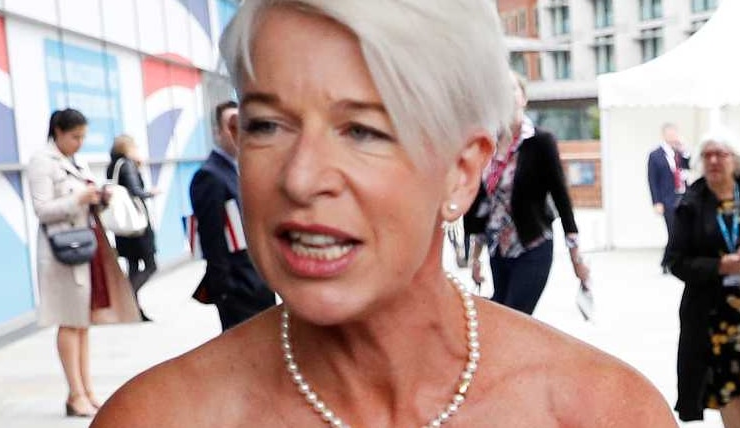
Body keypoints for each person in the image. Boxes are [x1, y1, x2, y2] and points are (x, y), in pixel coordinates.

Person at [90, 2, 676, 427]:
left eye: (363, 130)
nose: (301, 177)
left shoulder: (601, 411)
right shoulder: (158, 416)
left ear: (461, 171)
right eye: (268, 125)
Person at [29, 109, 140, 418]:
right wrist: (78, 200)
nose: (79, 143)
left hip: (85, 247)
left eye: (83, 137)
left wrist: (98, 197)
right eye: (74, 136)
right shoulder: (42, 161)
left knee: (83, 323)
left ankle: (86, 390)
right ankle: (75, 393)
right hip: (61, 251)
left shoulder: (75, 161)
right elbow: (42, 210)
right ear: (59, 132)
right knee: (69, 320)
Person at [467, 71, 590, 315]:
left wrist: (576, 255)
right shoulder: (488, 145)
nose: (507, 95)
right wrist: (476, 257)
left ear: (523, 98)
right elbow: (483, 204)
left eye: (513, 89)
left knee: (514, 316)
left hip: (532, 244)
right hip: (498, 250)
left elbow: (561, 196)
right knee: (499, 315)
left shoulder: (540, 141)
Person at [669, 129, 740, 426]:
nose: (713, 161)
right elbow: (675, 262)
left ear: (735, 159)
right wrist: (721, 266)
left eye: (720, 154)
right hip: (715, 319)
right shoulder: (691, 204)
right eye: (707, 155)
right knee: (729, 392)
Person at [188, 100, 275, 330]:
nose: (238, 132)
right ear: (218, 132)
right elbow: (211, 237)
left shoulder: (242, 169)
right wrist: (224, 289)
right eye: (231, 125)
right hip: (239, 287)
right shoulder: (210, 176)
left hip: (258, 282)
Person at [106, 134, 158, 322]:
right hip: (137, 227)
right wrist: (150, 192)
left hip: (123, 228)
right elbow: (136, 191)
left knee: (134, 266)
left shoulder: (113, 166)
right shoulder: (127, 164)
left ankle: (134, 310)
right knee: (151, 265)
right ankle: (128, 298)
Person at [648, 123, 690, 273]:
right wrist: (656, 202)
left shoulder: (680, 153)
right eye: (670, 134)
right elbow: (652, 180)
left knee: (684, 230)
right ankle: (667, 262)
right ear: (664, 135)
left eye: (675, 133)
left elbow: (690, 166)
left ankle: (669, 261)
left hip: (684, 196)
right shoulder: (655, 155)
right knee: (673, 231)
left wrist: (684, 150)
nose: (673, 137)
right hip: (668, 199)